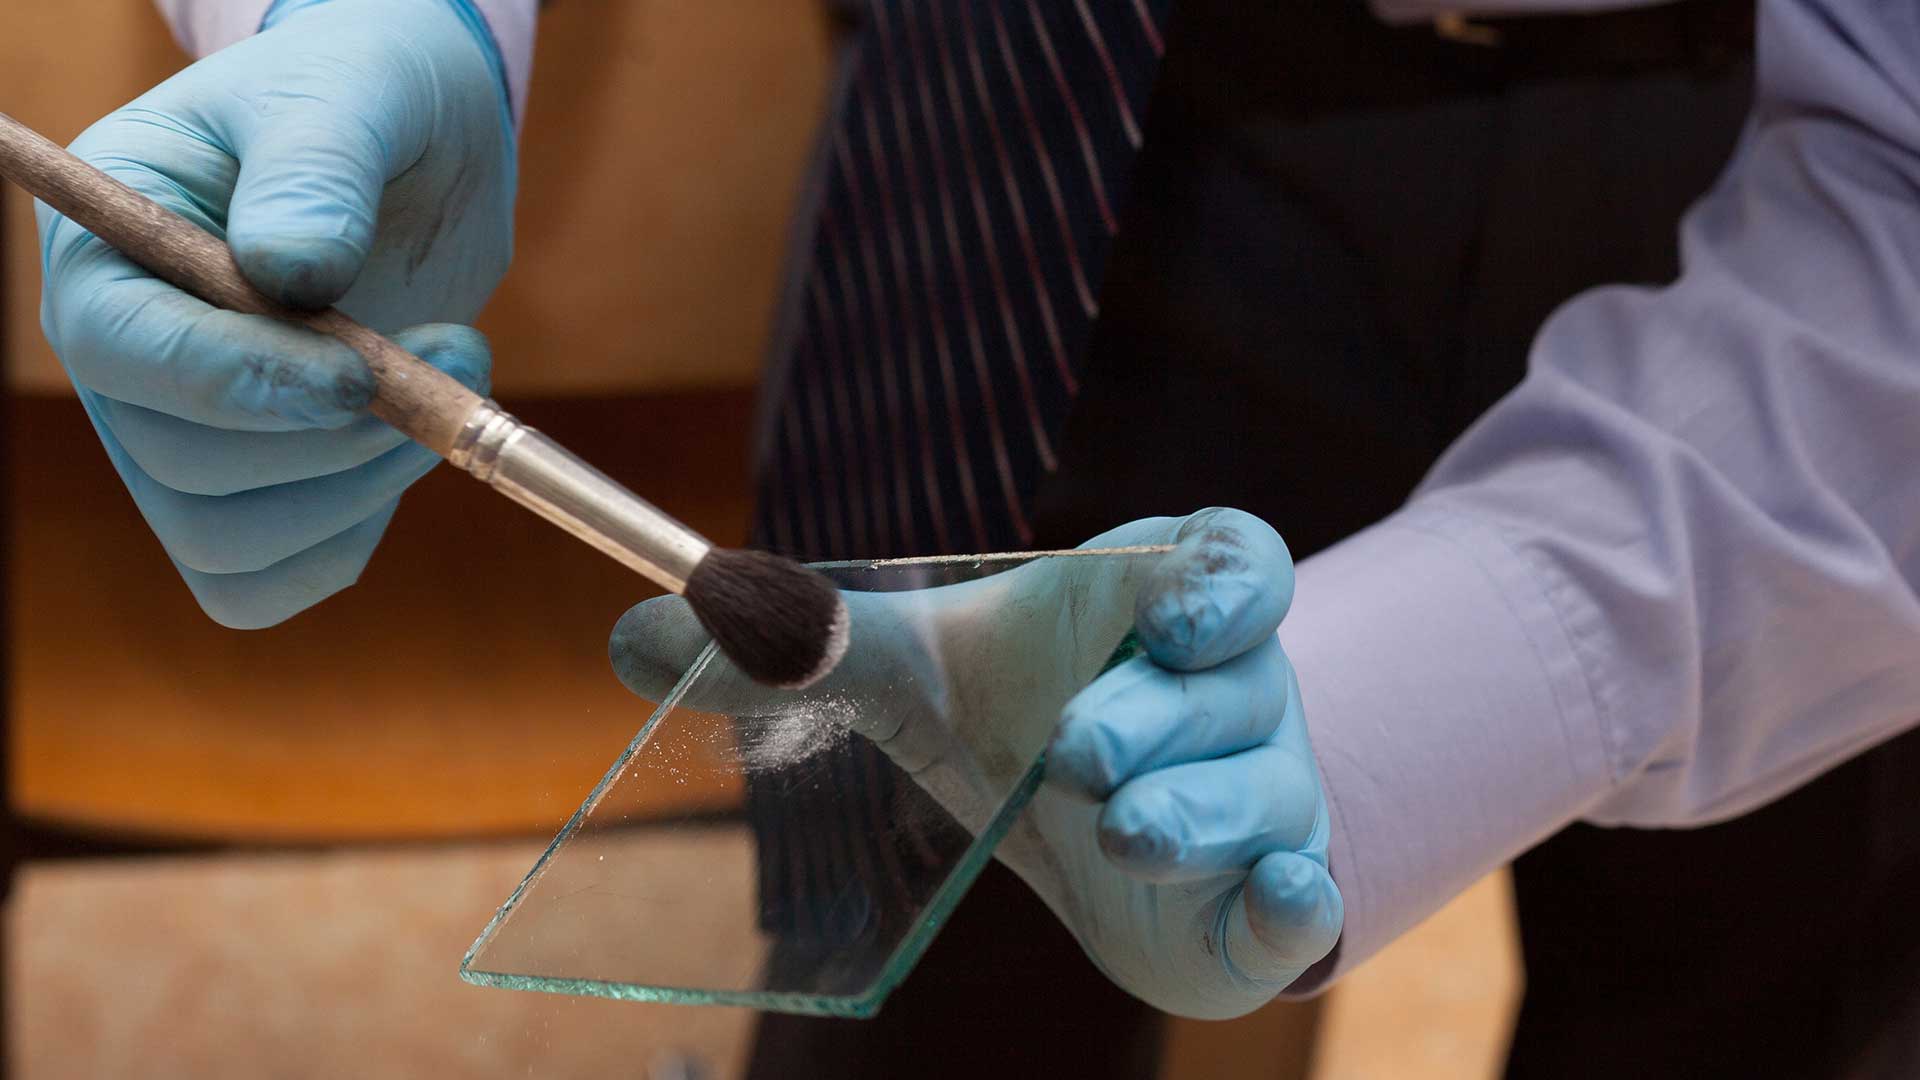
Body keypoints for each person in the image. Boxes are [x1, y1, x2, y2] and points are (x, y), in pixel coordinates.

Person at [32, 0, 1920, 1076]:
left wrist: (1497, 660)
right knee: (920, 1007)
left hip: (1825, 190)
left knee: (1760, 1010)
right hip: (1055, 107)